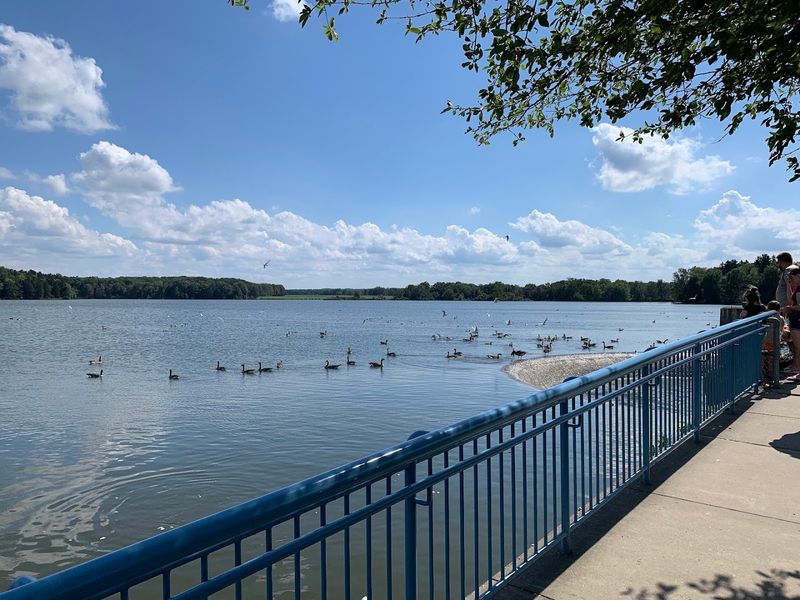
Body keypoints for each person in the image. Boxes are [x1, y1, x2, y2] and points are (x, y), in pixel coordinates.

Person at [785, 270, 800, 378]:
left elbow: (799, 306)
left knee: (798, 347)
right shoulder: (797, 288)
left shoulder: (799, 289)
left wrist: (788, 308)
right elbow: (791, 300)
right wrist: (788, 285)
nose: (790, 279)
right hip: (795, 321)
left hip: (797, 321)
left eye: (792, 277)